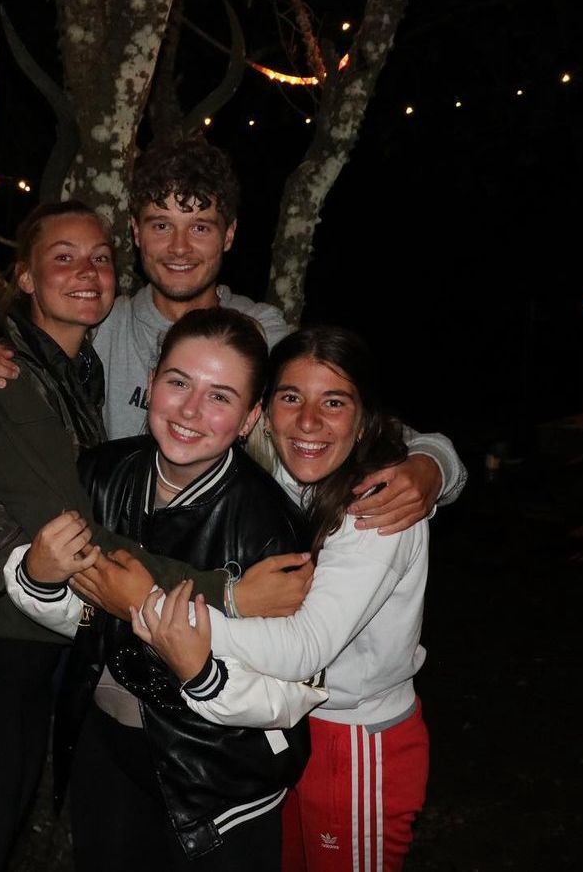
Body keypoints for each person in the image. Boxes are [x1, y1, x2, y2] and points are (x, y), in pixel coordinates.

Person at [0, 202, 307, 872]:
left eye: (99, 258)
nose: (87, 271)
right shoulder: (2, 382)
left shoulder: (76, 375)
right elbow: (80, 538)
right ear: (24, 278)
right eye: (63, 257)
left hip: (37, 655)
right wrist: (228, 593)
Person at [0, 134, 466, 536]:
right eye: (161, 225)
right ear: (136, 233)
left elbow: (348, 416)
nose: (179, 248)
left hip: (227, 567)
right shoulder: (103, 323)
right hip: (111, 572)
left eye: (200, 227)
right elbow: (21, 357)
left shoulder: (260, 333)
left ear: (228, 235)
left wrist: (432, 467)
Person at [4, 308, 324, 871]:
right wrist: (39, 577)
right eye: (178, 382)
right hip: (107, 749)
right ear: (150, 383)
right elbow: (85, 615)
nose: (190, 410)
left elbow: (296, 690)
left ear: (249, 418)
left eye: (220, 396)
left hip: (218, 780)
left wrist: (199, 667)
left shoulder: (271, 527)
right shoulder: (99, 474)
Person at [126, 325, 432, 872]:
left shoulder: (379, 510)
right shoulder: (282, 477)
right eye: (292, 397)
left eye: (333, 402)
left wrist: (161, 612)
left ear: (363, 420)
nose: (308, 421)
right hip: (283, 729)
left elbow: (304, 648)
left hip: (354, 740)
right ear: (263, 414)